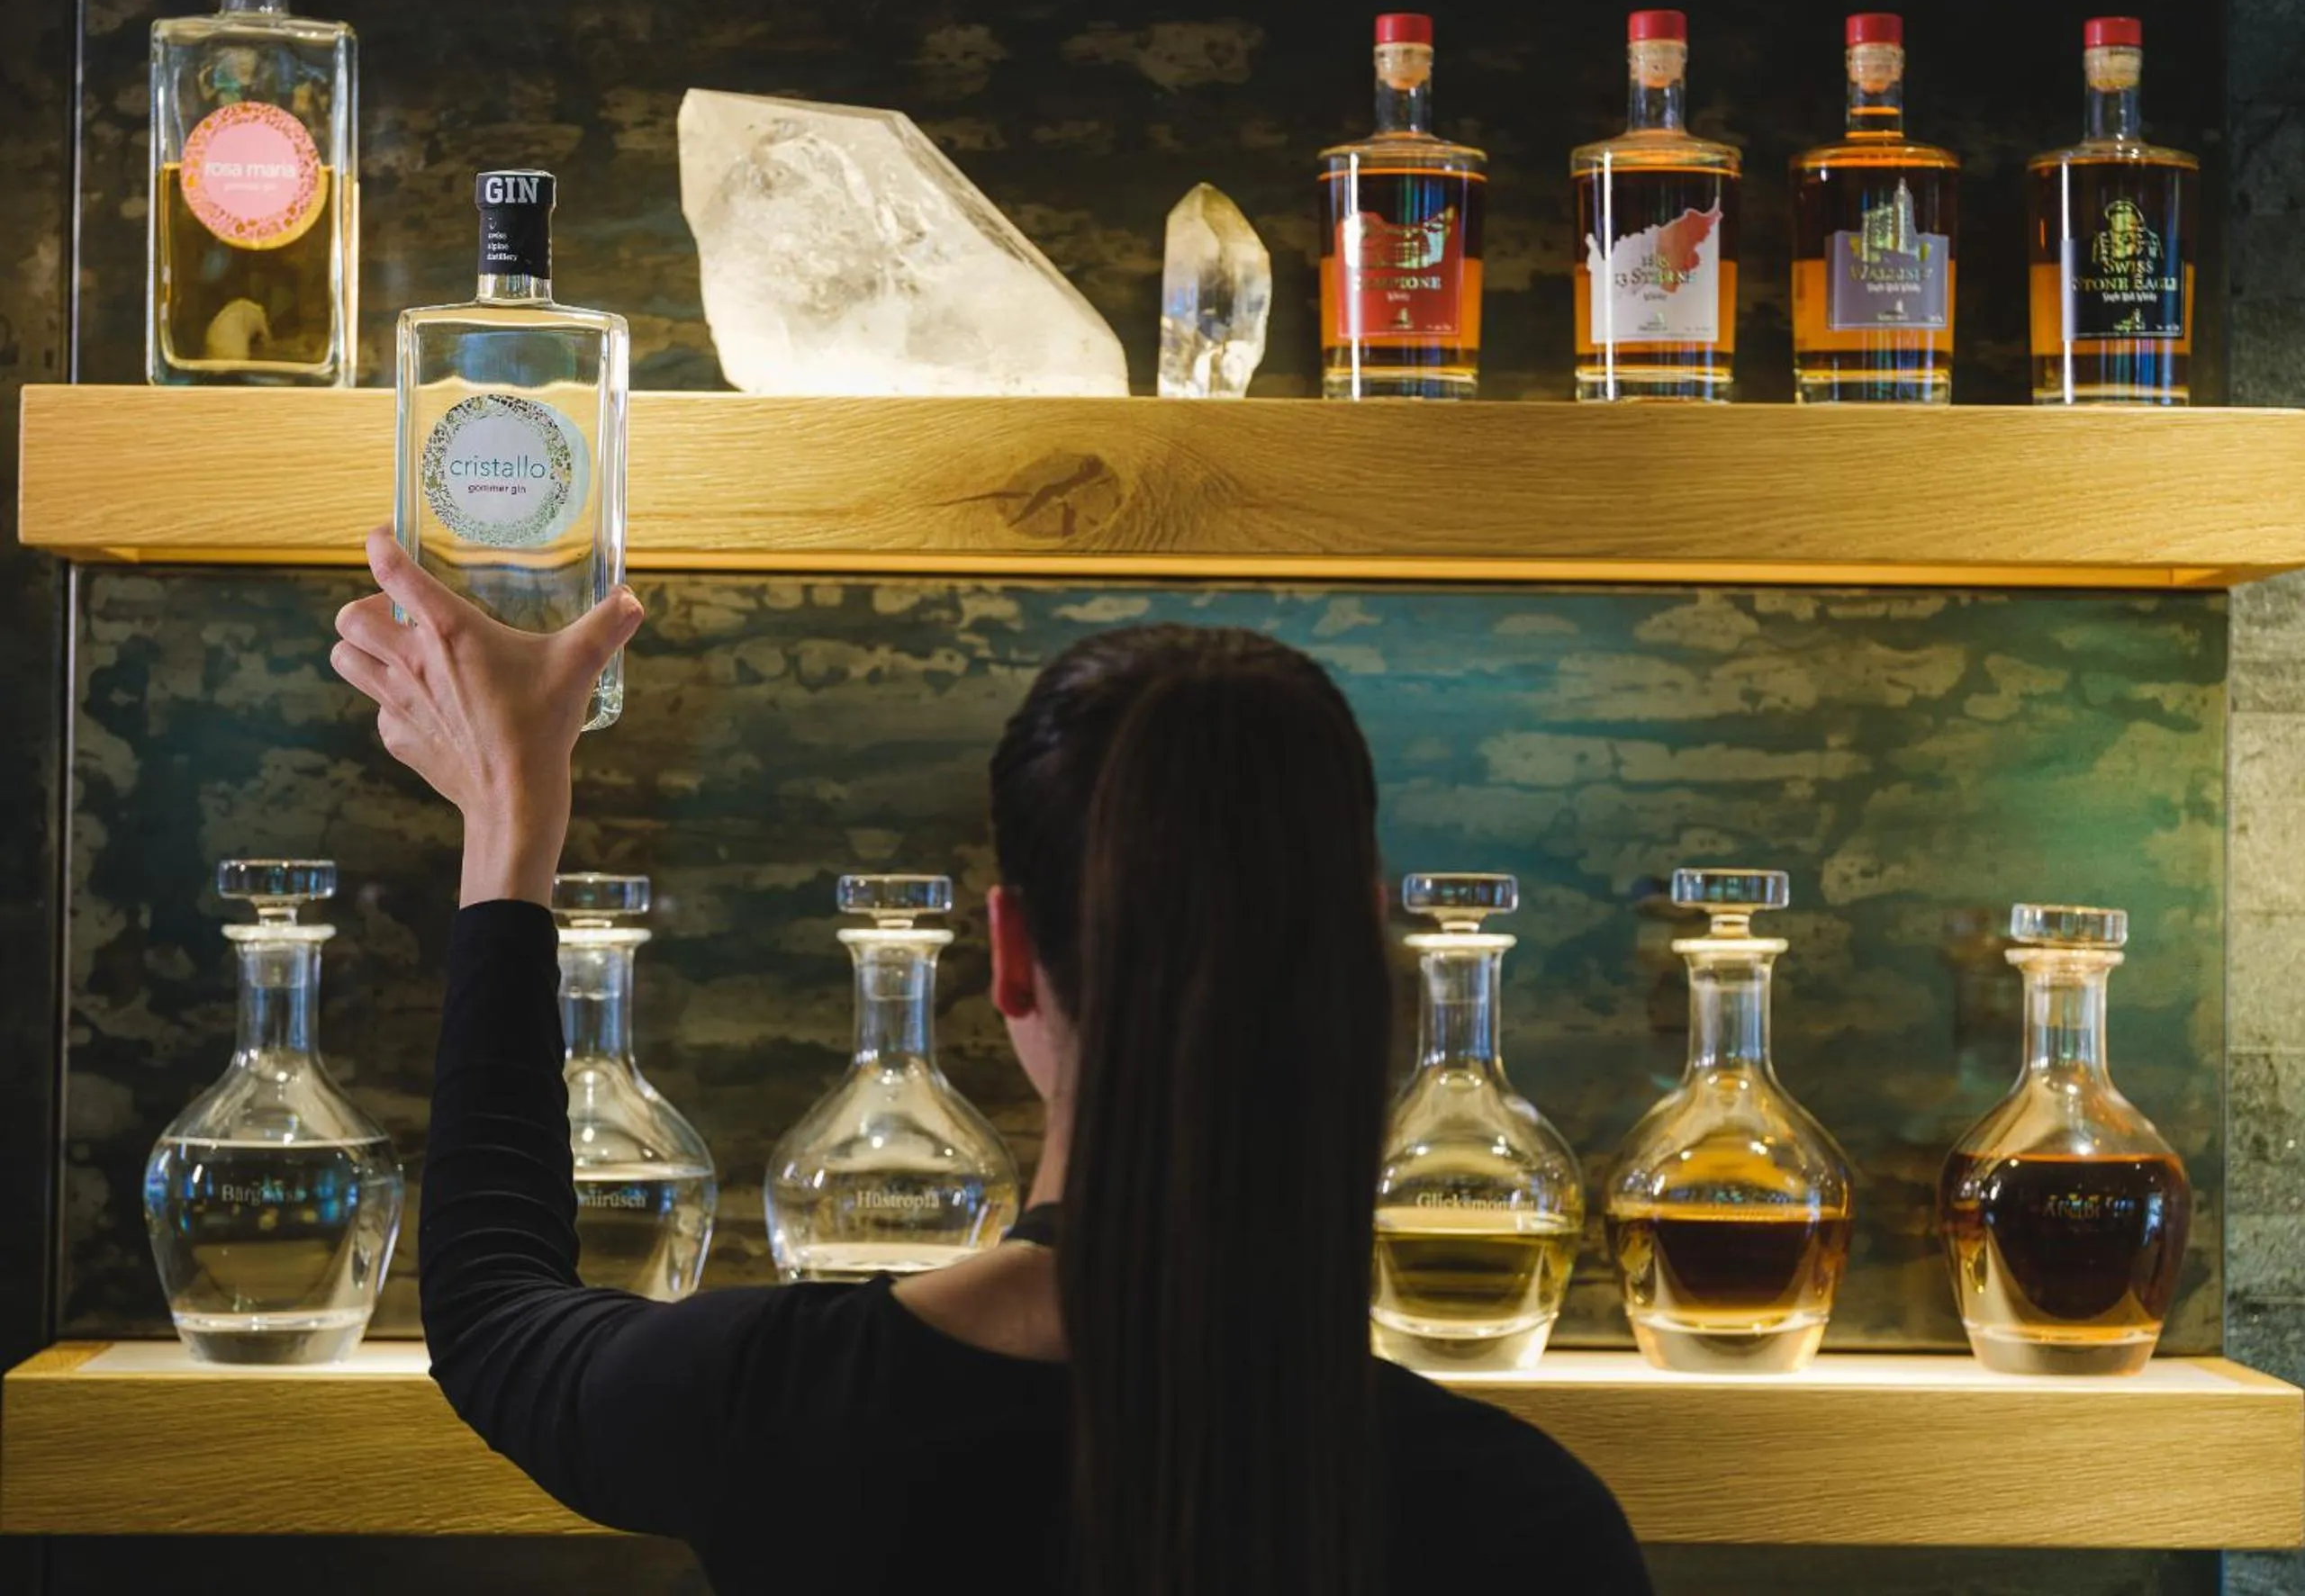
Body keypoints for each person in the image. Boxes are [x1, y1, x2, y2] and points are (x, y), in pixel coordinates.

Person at [332, 528, 1651, 1596]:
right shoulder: (1529, 1527)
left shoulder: (785, 1410)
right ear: (1370, 951)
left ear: (1008, 957)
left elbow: (493, 1307)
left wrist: (512, 827)